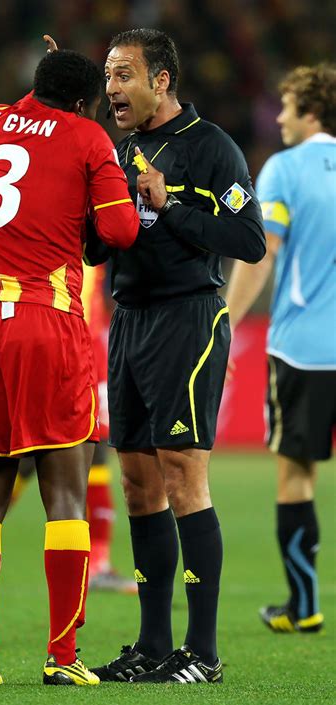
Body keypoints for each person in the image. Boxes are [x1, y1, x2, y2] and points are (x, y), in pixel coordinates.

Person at [84, 28, 265, 684]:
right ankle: (153, 646)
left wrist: (170, 207)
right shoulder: (120, 150)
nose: (111, 89)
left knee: (184, 473)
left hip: (188, 318)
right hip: (127, 319)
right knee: (137, 483)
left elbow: (248, 241)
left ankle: (204, 653)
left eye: (123, 75)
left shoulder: (211, 148)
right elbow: (100, 247)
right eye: (106, 76)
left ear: (161, 79)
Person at [0, 48, 139, 687]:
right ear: (89, 101)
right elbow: (118, 232)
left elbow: (27, 155)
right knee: (66, 495)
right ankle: (62, 659)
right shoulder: (89, 136)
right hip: (47, 319)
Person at [225, 63, 336, 634]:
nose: (281, 116)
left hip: (304, 351)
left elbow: (261, 251)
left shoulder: (284, 170)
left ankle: (304, 604)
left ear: (311, 111)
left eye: (289, 106)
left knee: (297, 476)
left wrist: (224, 321)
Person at [0, 261, 137, 594]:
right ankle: (95, 563)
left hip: (81, 344)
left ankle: (97, 561)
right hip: (65, 343)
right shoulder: (66, 234)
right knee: (66, 450)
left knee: (73, 451)